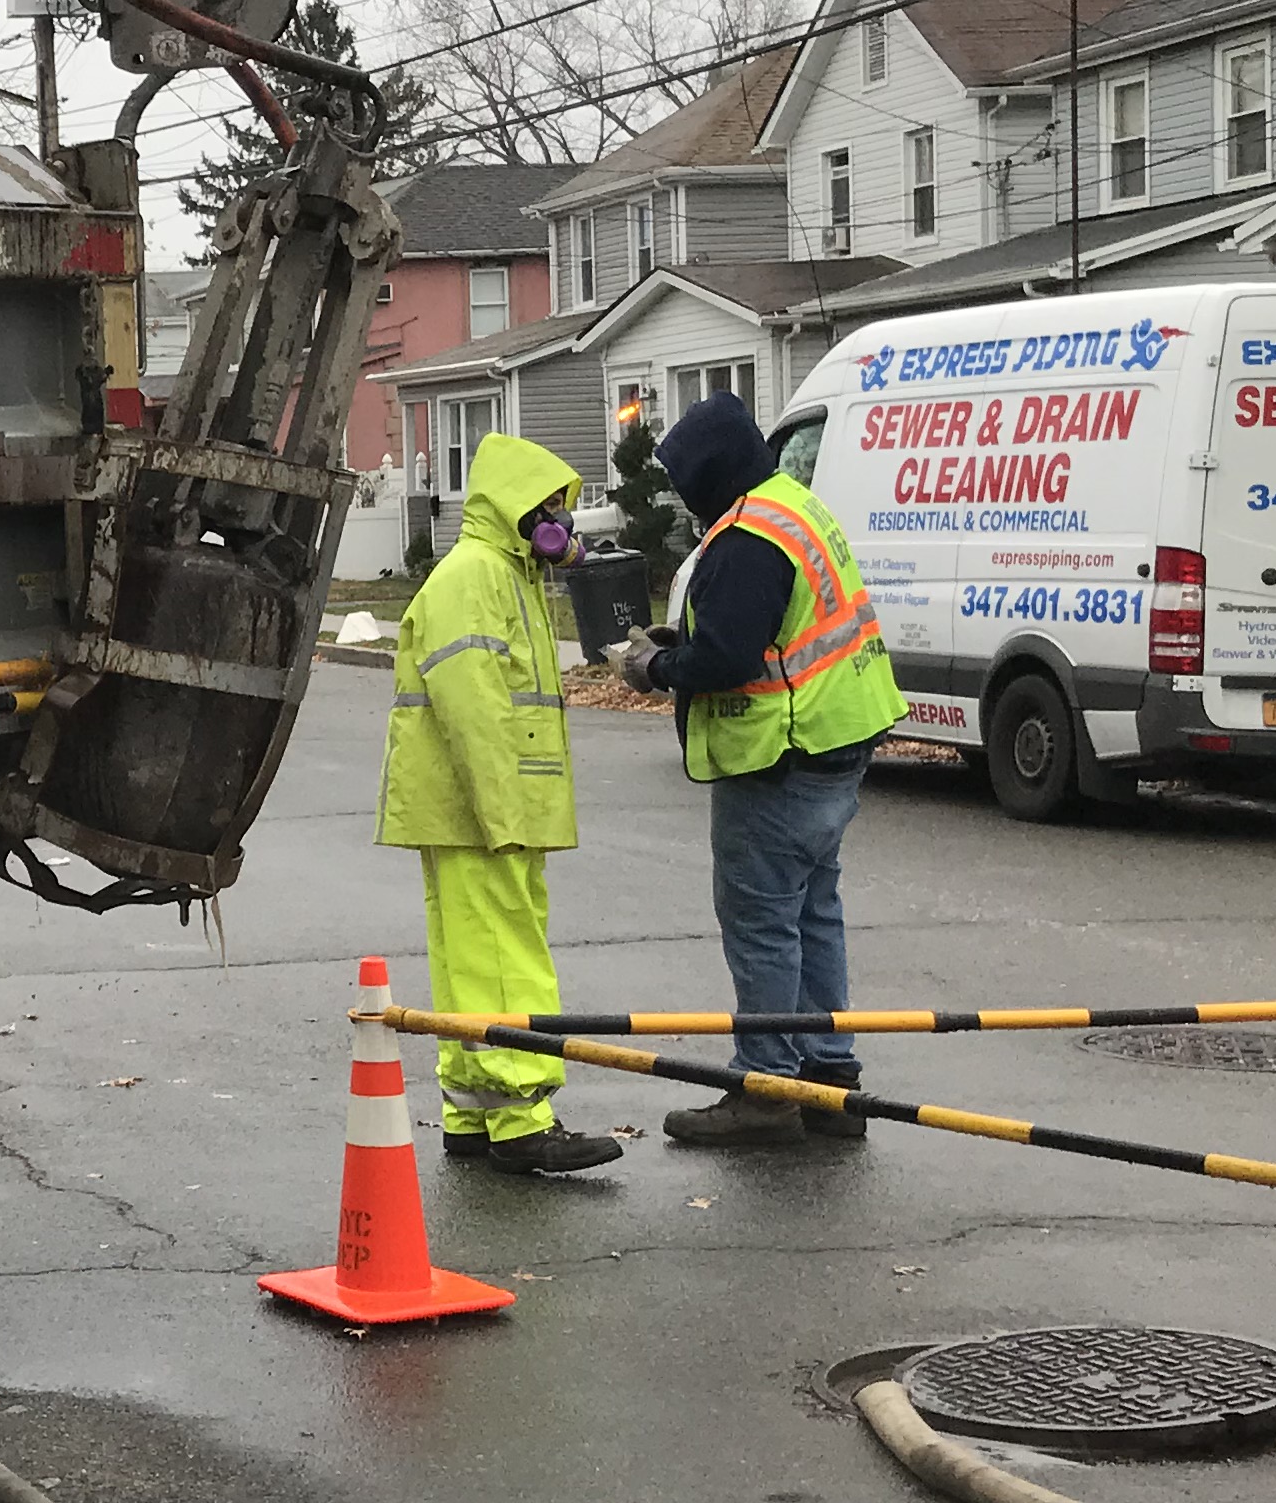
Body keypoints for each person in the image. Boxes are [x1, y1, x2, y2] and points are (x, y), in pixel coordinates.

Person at [618, 394, 904, 1148]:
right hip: (838, 739)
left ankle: (766, 1086)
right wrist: (686, 636)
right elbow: (769, 625)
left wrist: (655, 665)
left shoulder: (747, 538)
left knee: (763, 921)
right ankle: (828, 1078)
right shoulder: (793, 507)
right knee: (813, 912)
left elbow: (729, 657)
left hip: (784, 752)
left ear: (707, 478)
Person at [378, 433, 622, 1175]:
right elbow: (473, 708)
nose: (560, 523)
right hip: (486, 811)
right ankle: (521, 1117)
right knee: (507, 958)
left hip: (476, 808)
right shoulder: (479, 577)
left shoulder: (501, 575)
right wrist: (503, 815)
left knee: (470, 962)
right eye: (549, 506)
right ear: (513, 507)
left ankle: (474, 1113)